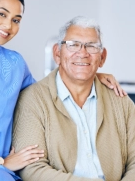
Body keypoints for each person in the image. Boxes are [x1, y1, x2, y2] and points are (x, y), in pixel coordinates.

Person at [0, 0, 125, 181]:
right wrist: (0, 162)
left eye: (16, 20)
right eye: (2, 14)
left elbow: (46, 93)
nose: (8, 25)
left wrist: (89, 75)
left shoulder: (15, 63)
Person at [13, 16, 135, 181]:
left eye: (92, 46)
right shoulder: (33, 99)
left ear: (102, 57)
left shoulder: (120, 100)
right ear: (57, 53)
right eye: (73, 45)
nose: (82, 53)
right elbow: (32, 169)